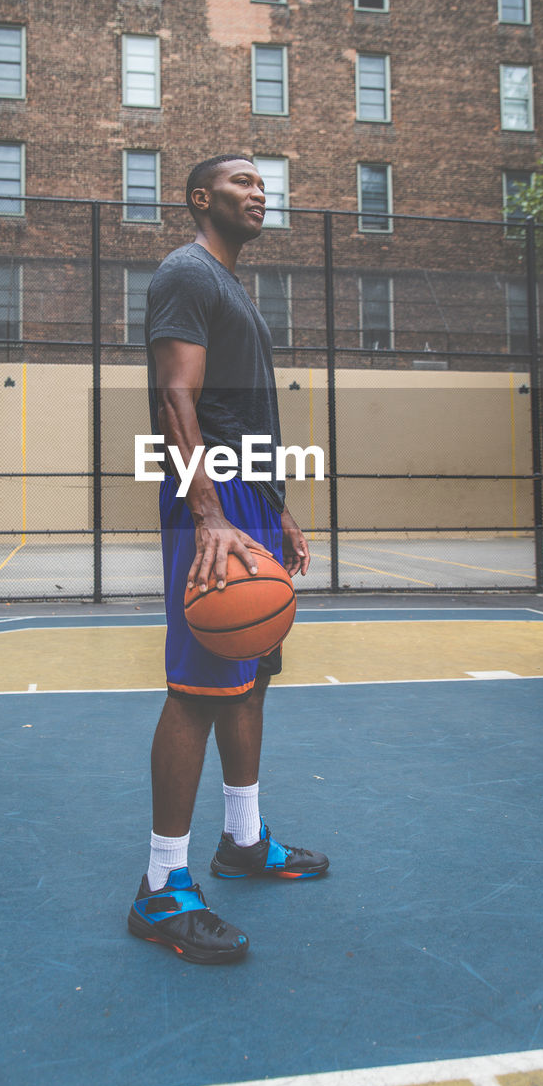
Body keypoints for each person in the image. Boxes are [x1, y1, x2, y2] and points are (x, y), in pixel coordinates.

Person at [127, 155, 328, 964]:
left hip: (245, 498)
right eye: (242, 181)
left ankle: (242, 840)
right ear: (200, 198)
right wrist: (209, 513)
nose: (259, 190)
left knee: (251, 671)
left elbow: (240, 415)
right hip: (204, 501)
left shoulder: (234, 286)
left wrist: (274, 508)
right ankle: (160, 889)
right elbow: (179, 396)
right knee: (198, 689)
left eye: (263, 181)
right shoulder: (187, 272)